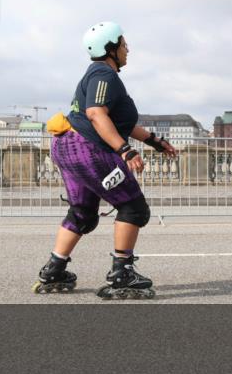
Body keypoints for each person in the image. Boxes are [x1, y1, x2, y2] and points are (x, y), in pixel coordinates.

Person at [34, 21, 178, 299]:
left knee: (82, 213)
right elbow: (97, 115)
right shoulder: (104, 75)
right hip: (86, 148)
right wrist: (126, 150)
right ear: (110, 48)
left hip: (68, 145)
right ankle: (122, 273)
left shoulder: (94, 74)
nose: (127, 49)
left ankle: (54, 268)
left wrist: (154, 142)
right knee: (133, 208)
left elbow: (114, 120)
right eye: (124, 44)